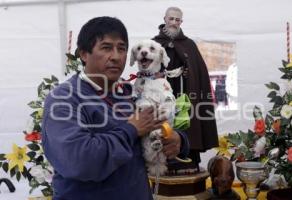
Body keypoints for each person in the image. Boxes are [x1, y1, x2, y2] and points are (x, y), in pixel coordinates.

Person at [42, 16, 189, 200]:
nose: (116, 56)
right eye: (106, 47)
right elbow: (79, 162)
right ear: (84, 54)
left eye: (122, 49)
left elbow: (156, 131)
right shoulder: (64, 98)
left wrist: (178, 140)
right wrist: (131, 129)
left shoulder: (132, 93)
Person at [153, 7, 218, 173]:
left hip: (185, 93)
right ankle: (163, 162)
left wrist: (188, 73)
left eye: (177, 20)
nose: (174, 22)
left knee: (188, 121)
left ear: (181, 22)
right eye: (171, 19)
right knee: (163, 122)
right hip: (162, 93)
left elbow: (198, 72)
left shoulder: (189, 44)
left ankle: (188, 159)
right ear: (165, 19)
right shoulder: (154, 43)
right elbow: (147, 66)